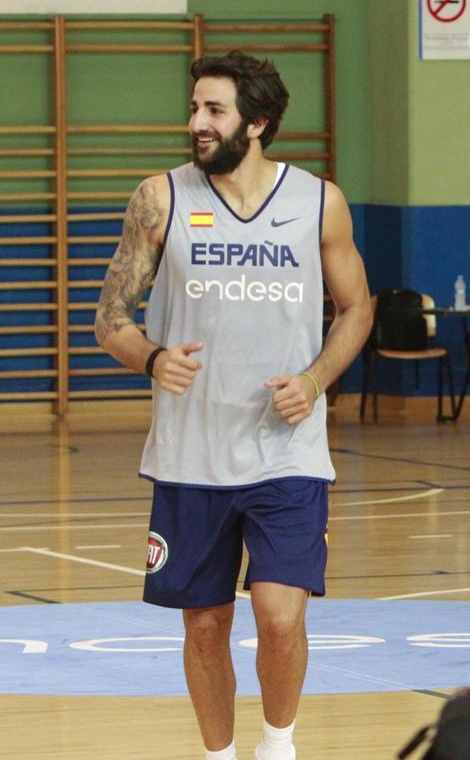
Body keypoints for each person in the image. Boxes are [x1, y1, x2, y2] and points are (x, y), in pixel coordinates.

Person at [94, 51, 372, 760]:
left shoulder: (319, 202)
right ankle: (220, 756)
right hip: (191, 455)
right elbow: (110, 319)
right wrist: (153, 359)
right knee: (205, 628)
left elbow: (356, 311)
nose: (197, 123)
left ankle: (278, 746)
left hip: (287, 451)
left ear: (258, 121)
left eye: (214, 110)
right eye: (194, 108)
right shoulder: (160, 199)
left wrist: (313, 382)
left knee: (280, 619)